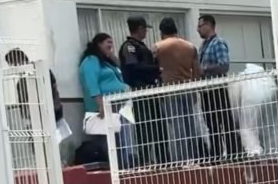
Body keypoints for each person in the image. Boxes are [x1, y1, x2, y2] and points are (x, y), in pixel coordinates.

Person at [77, 33, 135, 168]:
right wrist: (100, 104)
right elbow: (92, 83)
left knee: (123, 136)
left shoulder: (106, 62)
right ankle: (117, 165)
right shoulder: (91, 61)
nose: (111, 45)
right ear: (99, 44)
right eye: (108, 42)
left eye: (112, 42)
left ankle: (125, 163)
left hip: (119, 104)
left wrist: (111, 56)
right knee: (110, 137)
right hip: (106, 105)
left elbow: (119, 70)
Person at [119, 16, 168, 165]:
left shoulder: (141, 46)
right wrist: (156, 69)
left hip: (151, 91)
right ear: (140, 28)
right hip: (141, 92)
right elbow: (133, 67)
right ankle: (145, 161)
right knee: (145, 128)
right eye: (145, 29)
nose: (146, 32)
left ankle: (163, 161)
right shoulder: (130, 47)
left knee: (159, 128)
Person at [154, 17, 202, 163]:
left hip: (169, 90)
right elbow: (197, 71)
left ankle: (182, 159)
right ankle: (193, 158)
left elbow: (154, 70)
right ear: (176, 30)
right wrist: (194, 87)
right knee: (190, 124)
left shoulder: (158, 47)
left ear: (161, 32)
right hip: (188, 88)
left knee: (177, 126)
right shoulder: (190, 47)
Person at [197, 14, 241, 162]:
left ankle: (233, 155)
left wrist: (205, 69)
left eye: (200, 26)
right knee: (212, 125)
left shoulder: (218, 43)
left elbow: (224, 65)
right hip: (206, 91)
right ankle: (216, 156)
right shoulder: (203, 46)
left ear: (209, 25)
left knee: (225, 123)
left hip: (217, 90)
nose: (198, 30)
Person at [4, 48, 64, 123]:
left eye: (13, 65)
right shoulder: (22, 83)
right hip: (48, 113)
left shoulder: (42, 70)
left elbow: (53, 90)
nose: (14, 69)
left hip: (51, 113)